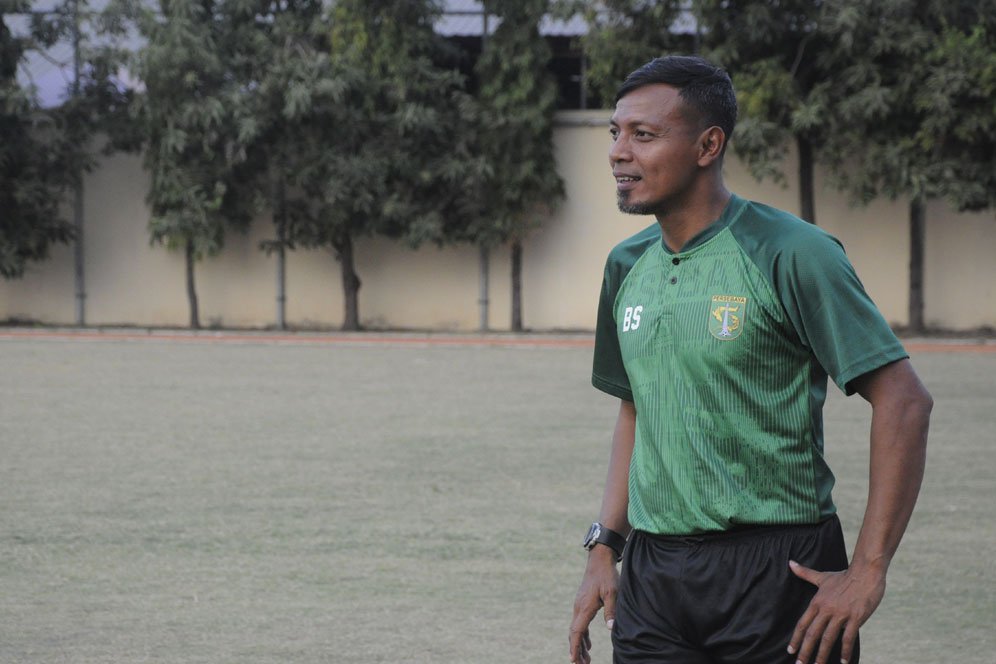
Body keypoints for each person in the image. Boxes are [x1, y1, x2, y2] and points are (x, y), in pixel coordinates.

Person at [568, 55, 932, 664]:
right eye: (615, 133)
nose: (618, 152)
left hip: (778, 567)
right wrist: (605, 547)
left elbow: (905, 401)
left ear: (709, 145)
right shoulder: (626, 266)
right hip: (654, 574)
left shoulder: (792, 251)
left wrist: (868, 570)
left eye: (644, 135)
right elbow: (637, 409)